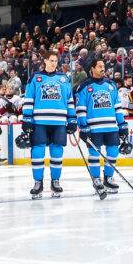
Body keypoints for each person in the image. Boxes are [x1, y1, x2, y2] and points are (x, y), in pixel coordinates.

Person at [20, 51, 77, 198]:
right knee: (38, 152)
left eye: (55, 61)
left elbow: (69, 100)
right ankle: (38, 183)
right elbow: (29, 98)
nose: (53, 63)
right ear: (45, 60)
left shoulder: (63, 78)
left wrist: (72, 118)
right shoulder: (35, 77)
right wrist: (27, 118)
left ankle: (55, 181)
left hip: (58, 122)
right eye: (51, 60)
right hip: (39, 121)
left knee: (57, 152)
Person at [75, 58, 128, 196]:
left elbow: (117, 106)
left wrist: (122, 124)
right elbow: (80, 109)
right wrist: (83, 127)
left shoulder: (111, 85)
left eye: (103, 66)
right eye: (99, 66)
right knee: (94, 153)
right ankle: (97, 180)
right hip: (93, 128)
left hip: (111, 126)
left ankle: (108, 178)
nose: (103, 68)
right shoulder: (84, 87)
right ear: (92, 68)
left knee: (113, 152)